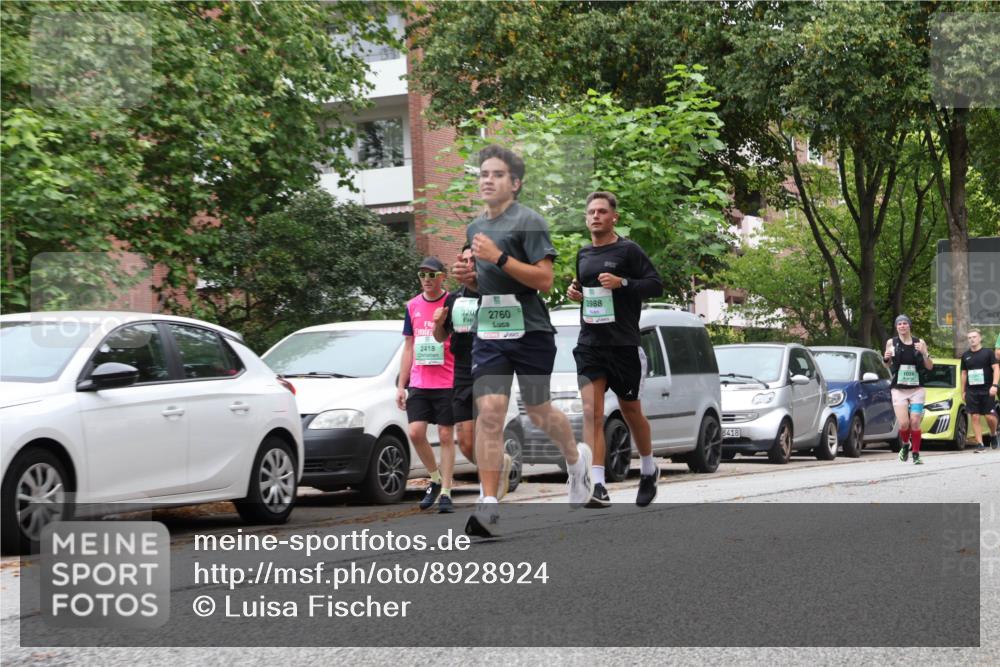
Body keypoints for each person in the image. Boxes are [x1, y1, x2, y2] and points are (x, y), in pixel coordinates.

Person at [452, 144, 593, 536]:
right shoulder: (474, 228)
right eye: (483, 174)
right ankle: (488, 504)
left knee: (538, 410)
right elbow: (485, 285)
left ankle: (576, 460)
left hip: (530, 330)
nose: (488, 180)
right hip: (490, 332)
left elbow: (544, 280)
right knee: (490, 412)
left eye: (497, 174)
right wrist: (470, 280)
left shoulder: (529, 221)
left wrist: (498, 257)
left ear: (514, 183)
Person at [566, 191, 664, 507]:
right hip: (590, 344)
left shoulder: (629, 250)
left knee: (631, 411)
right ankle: (598, 484)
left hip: (623, 344)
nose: (595, 216)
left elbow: (655, 284)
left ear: (614, 217)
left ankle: (648, 468)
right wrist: (576, 293)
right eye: (591, 212)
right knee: (592, 413)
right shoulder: (583, 254)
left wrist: (622, 283)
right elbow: (586, 288)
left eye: (602, 211)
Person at [432, 244, 514, 499]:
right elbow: (441, 336)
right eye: (465, 260)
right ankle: (499, 464)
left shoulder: (492, 293)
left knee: (485, 432)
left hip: (490, 365)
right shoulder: (454, 298)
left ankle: (486, 492)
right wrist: (437, 324)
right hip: (462, 369)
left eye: (474, 261)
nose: (469, 265)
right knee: (466, 442)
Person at [397, 257, 456, 512]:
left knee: (445, 435)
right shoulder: (412, 306)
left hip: (447, 379)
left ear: (442, 276)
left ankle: (446, 492)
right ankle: (435, 478)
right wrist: (401, 385)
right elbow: (408, 346)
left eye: (432, 275)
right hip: (420, 381)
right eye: (422, 275)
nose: (427, 279)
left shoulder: (452, 302)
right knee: (415, 432)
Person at [883, 315, 934, 465]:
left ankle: (916, 454)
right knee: (904, 424)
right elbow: (886, 365)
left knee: (915, 421)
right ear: (896, 327)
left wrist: (924, 353)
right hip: (899, 389)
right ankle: (906, 444)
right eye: (899, 324)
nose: (902, 326)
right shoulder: (891, 343)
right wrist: (886, 358)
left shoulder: (920, 342)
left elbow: (930, 366)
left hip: (917, 389)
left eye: (905, 323)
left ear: (909, 325)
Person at [960, 329, 999, 451]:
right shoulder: (965, 355)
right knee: (975, 417)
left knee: (989, 417)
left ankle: (993, 434)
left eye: (974, 337)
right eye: (970, 338)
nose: (972, 339)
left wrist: (995, 385)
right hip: (972, 391)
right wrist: (963, 391)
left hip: (987, 390)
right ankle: (980, 444)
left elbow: (996, 368)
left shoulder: (988, 353)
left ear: (980, 338)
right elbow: (964, 373)